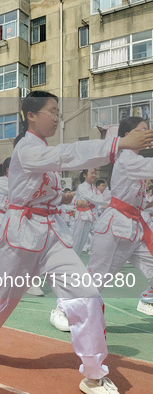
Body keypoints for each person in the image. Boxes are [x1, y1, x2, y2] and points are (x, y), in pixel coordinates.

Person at [0, 91, 153, 394]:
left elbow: (49, 182)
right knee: (3, 298)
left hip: (54, 235)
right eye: (52, 111)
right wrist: (118, 142)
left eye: (59, 112)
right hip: (20, 237)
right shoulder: (26, 149)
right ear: (31, 115)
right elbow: (66, 155)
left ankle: (94, 373)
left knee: (87, 296)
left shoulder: (43, 150)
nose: (57, 117)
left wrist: (62, 197)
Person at [87, 117, 153, 316]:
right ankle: (65, 309)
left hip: (136, 227)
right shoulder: (127, 158)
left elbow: (139, 201)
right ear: (128, 135)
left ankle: (148, 299)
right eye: (143, 130)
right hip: (115, 226)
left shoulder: (135, 160)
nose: (148, 133)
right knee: (97, 275)